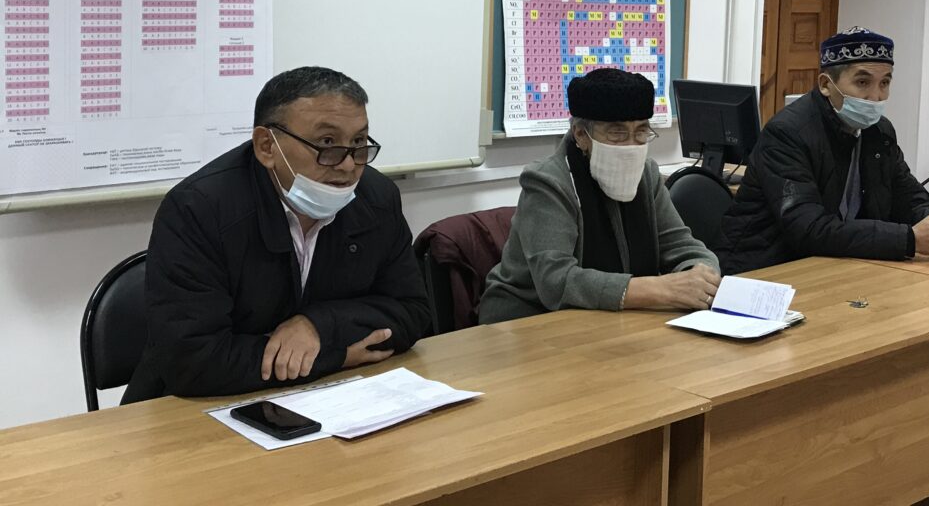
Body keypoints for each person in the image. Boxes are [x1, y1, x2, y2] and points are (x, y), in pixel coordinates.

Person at [123, 67, 431, 402]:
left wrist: (320, 325)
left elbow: (413, 311)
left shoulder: (376, 198)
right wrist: (337, 355)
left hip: (329, 400)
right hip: (195, 410)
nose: (347, 166)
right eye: (327, 143)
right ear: (267, 146)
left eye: (358, 142)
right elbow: (193, 361)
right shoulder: (199, 209)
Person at [715, 26, 929, 275]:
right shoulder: (787, 133)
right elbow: (808, 228)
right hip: (764, 270)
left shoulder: (879, 132)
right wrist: (910, 239)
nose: (875, 96)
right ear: (826, 84)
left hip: (838, 264)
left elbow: (908, 196)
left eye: (884, 83)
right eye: (862, 82)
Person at [479, 68, 721, 324]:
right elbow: (556, 281)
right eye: (617, 134)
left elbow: (682, 245)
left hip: (608, 317)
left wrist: (700, 275)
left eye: (641, 132)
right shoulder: (548, 182)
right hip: (526, 321)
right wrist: (662, 289)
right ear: (581, 135)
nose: (631, 146)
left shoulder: (646, 174)